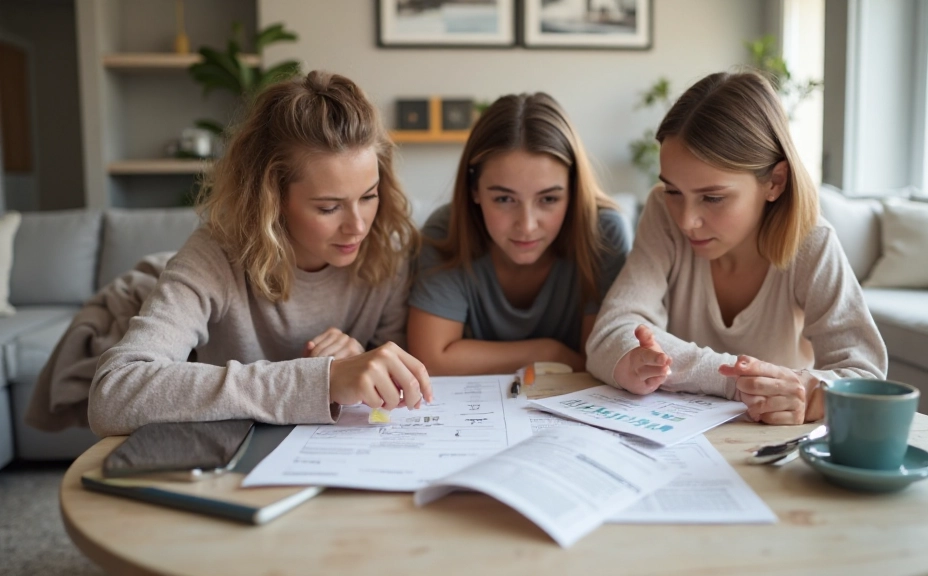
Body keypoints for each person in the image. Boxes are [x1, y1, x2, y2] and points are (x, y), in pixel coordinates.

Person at [89, 71, 432, 437]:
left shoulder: (387, 254)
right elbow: (113, 394)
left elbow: (399, 377)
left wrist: (360, 359)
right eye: (329, 208)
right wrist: (321, 380)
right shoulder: (215, 256)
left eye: (368, 196)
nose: (358, 226)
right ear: (272, 200)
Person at [586, 71, 887, 425]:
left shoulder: (812, 241)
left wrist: (808, 392)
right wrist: (735, 382)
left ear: (774, 182)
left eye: (712, 197)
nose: (686, 220)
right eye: (673, 191)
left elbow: (865, 378)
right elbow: (610, 332)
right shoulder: (662, 216)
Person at [407, 93, 630, 375]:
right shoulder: (447, 229)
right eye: (504, 199)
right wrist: (549, 352)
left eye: (548, 199)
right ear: (474, 190)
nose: (526, 225)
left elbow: (598, 360)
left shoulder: (604, 233)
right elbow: (431, 358)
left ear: (573, 192)